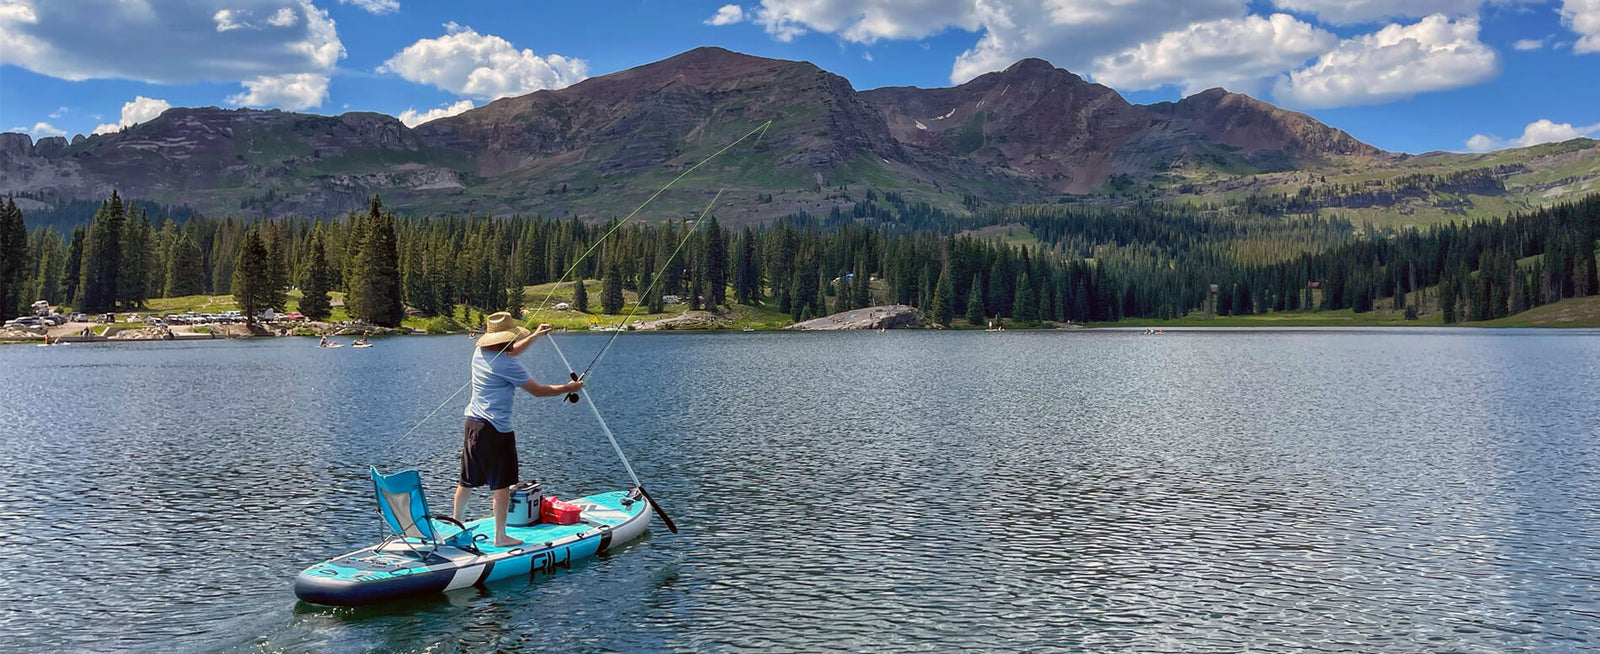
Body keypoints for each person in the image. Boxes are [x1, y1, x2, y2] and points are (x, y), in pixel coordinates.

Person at [457, 311, 584, 547]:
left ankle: (455, 527)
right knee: (501, 484)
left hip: (472, 423)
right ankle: (500, 537)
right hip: (496, 429)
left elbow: (511, 349)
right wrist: (569, 387)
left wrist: (535, 336)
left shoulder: (480, 353)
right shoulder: (507, 364)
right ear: (506, 338)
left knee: (467, 480)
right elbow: (538, 390)